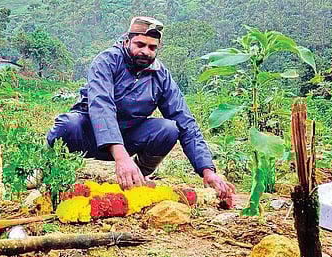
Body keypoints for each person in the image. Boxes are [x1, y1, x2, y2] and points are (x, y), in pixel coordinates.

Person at [46, 16, 235, 198]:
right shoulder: (107, 61)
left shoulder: (160, 75)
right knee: (67, 124)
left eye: (152, 47)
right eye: (140, 45)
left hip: (129, 137)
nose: (146, 51)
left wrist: (207, 170)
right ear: (127, 41)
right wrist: (120, 157)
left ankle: (137, 176)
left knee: (169, 129)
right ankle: (45, 167)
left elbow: (185, 121)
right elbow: (101, 106)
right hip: (89, 134)